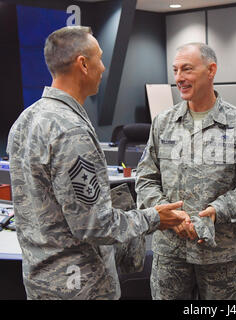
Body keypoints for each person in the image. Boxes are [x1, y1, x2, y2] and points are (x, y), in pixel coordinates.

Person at [6, 26, 187, 300]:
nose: (103, 67)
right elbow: (95, 225)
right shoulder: (71, 130)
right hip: (80, 286)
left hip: (41, 281)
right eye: (99, 58)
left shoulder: (25, 120)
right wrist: (154, 217)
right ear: (83, 64)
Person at [135, 42, 236, 300]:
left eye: (187, 69)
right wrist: (167, 212)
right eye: (175, 71)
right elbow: (146, 178)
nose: (179, 78)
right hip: (170, 251)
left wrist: (219, 211)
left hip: (219, 253)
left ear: (211, 70)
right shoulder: (164, 122)